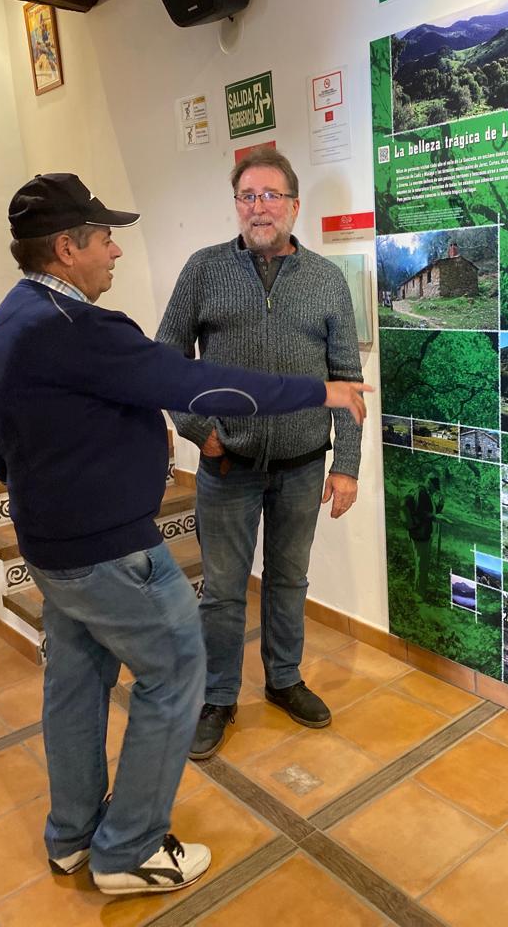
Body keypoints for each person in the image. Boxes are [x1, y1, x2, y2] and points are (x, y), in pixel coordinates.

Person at [0, 173, 369, 897]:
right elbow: (199, 381)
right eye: (101, 238)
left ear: (292, 206)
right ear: (65, 248)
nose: (114, 249)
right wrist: (320, 393)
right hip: (108, 549)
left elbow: (2, 446)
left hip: (56, 542)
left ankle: (70, 837)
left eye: (272, 195)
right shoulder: (78, 329)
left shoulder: (9, 319)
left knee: (75, 679)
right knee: (176, 672)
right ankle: (126, 850)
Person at [156, 146, 364, 759]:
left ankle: (283, 679)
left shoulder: (326, 280)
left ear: (295, 206)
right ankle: (218, 697)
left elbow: (347, 378)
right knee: (222, 589)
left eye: (271, 195)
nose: (259, 207)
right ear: (237, 207)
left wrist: (346, 465)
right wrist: (200, 431)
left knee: (288, 580)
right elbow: (165, 361)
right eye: (248, 196)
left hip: (302, 465)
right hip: (228, 466)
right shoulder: (203, 270)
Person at [403, 473, 447, 599]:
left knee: (424, 563)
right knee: (421, 563)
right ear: (429, 483)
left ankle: (421, 590)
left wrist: (439, 507)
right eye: (434, 487)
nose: (434, 490)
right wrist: (434, 517)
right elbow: (419, 512)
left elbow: (429, 511)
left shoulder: (427, 493)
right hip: (419, 534)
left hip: (425, 533)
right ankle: (418, 593)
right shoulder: (421, 492)